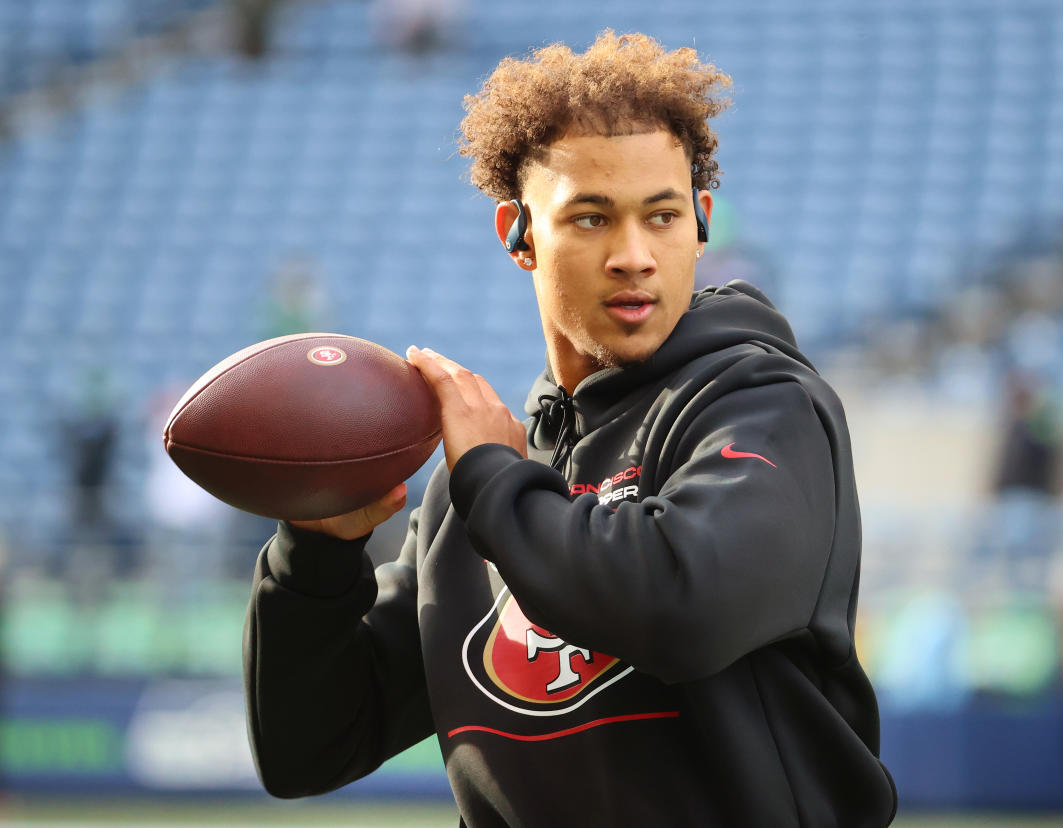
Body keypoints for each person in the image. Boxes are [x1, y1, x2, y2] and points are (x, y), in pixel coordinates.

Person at [243, 31, 897, 827]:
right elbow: (307, 748)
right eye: (590, 219)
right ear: (517, 234)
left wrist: (494, 482)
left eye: (661, 216)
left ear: (701, 222)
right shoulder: (476, 491)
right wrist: (314, 550)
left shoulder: (765, 406)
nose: (634, 256)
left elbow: (684, 609)